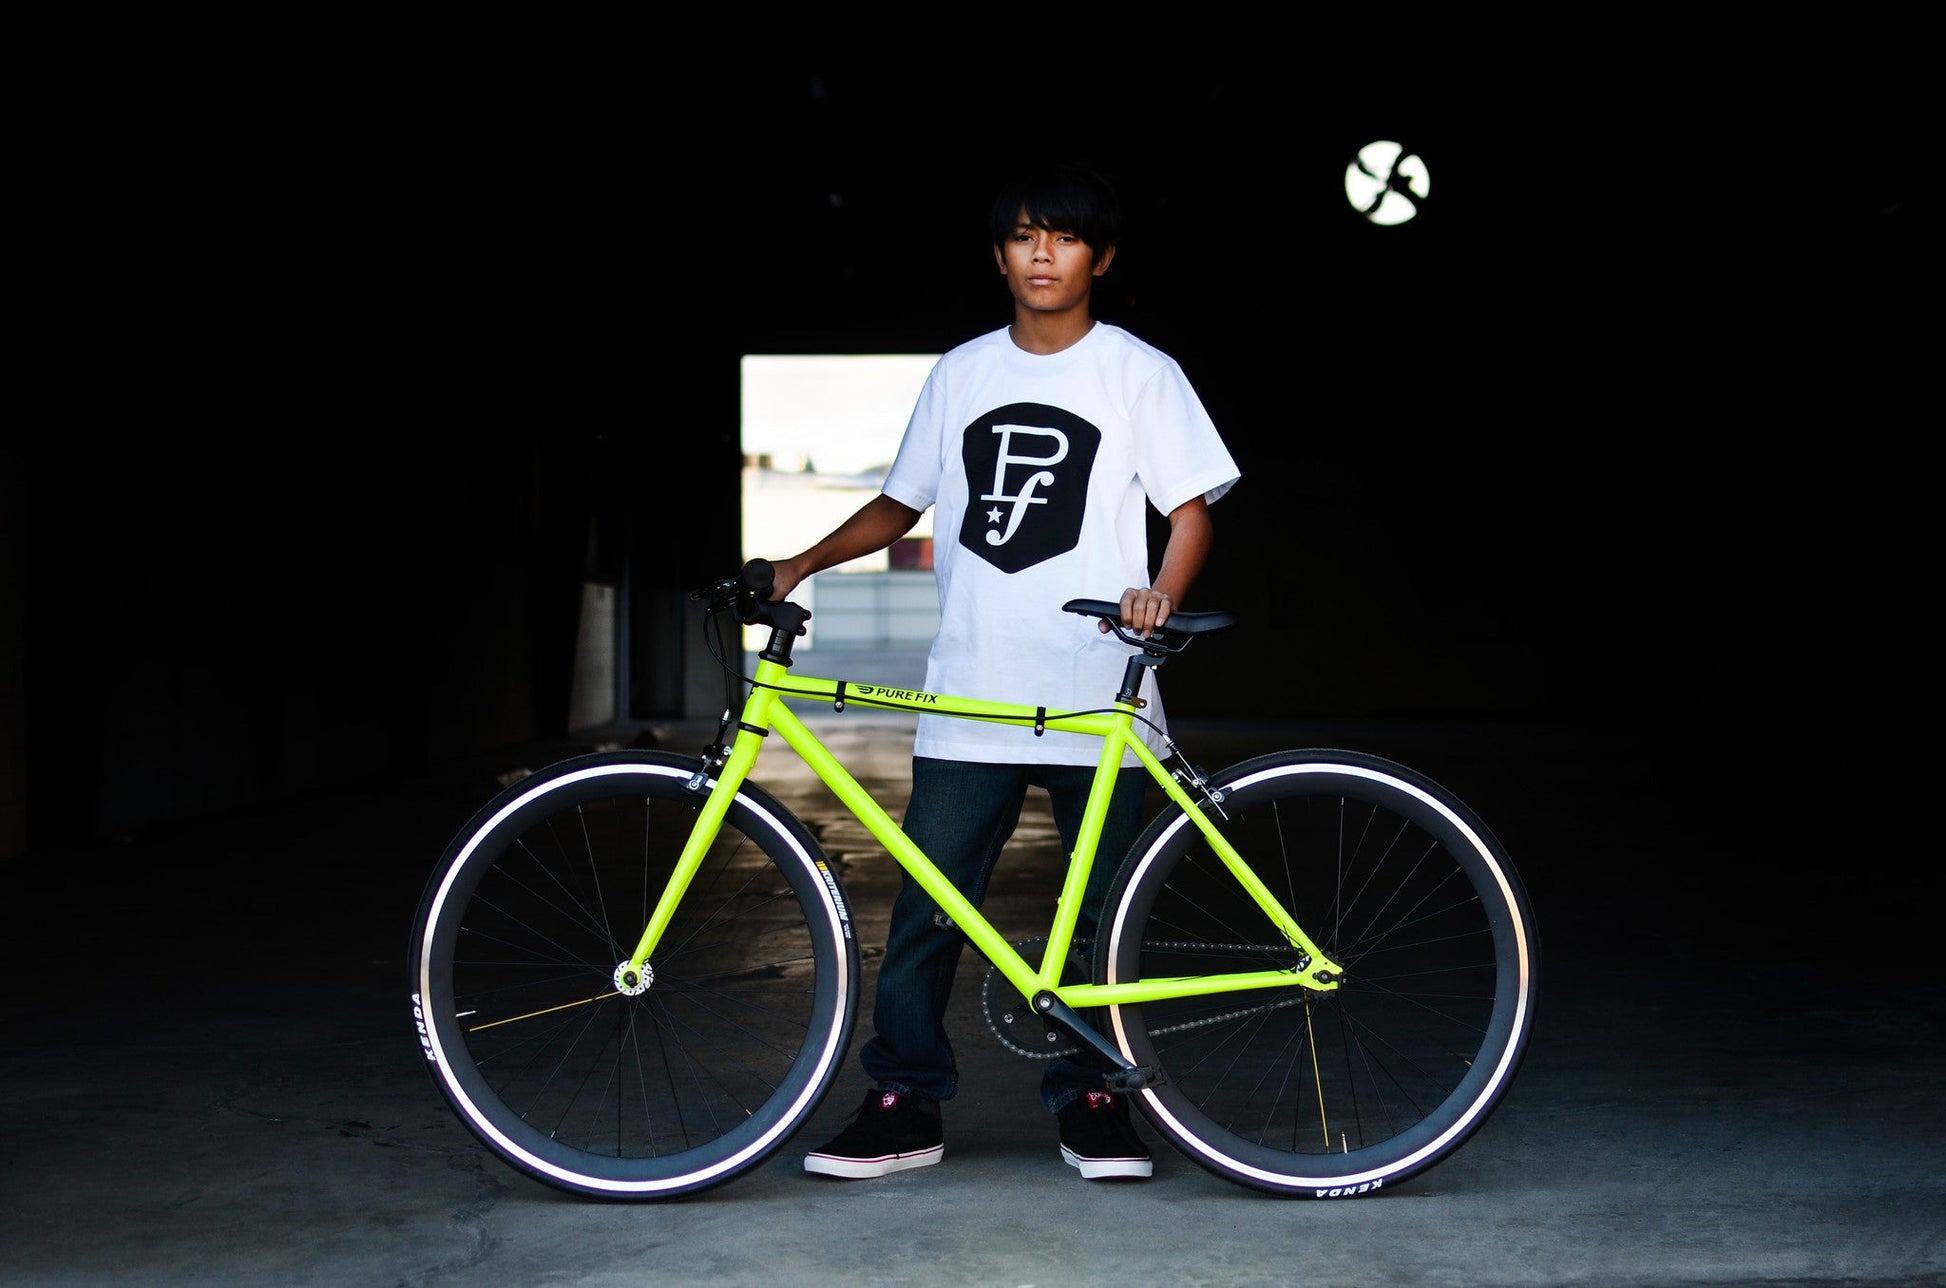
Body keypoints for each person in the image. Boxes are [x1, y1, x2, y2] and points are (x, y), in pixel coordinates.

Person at [764, 162, 1240, 1183]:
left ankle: (1095, 1100)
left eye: (1063, 237)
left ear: (1099, 258)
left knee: (1102, 917)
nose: (1041, 253)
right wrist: (800, 562)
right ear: (998, 255)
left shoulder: (1138, 372)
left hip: (1096, 688)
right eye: (1023, 235)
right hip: (970, 689)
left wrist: (1158, 593)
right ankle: (902, 1103)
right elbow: (901, 503)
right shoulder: (963, 372)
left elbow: (1191, 509)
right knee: (925, 916)